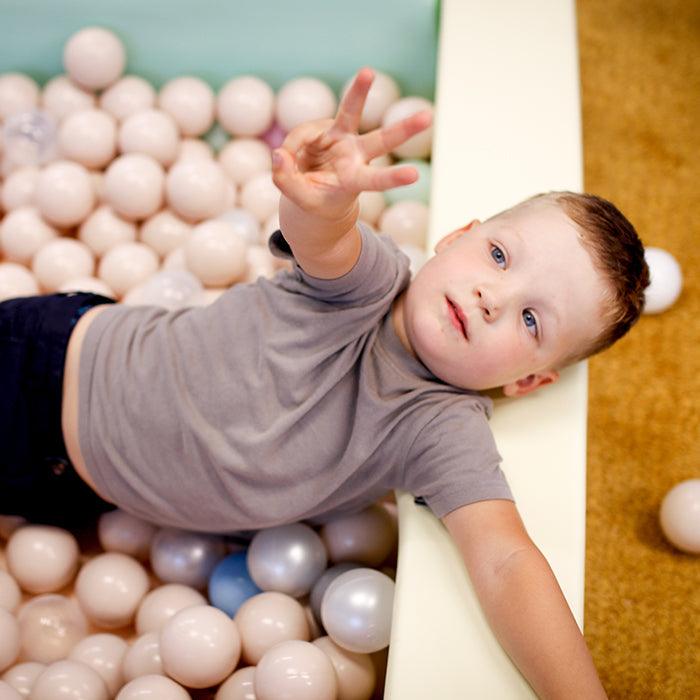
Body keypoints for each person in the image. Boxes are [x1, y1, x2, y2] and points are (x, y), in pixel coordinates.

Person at [0, 68, 648, 698]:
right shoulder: (369, 285)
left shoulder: (441, 431)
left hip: (74, 486)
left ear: (528, 380)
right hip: (48, 361)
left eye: (531, 319)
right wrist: (324, 199)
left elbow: (507, 564)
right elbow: (325, 237)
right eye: (500, 256)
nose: (491, 297)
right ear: (456, 238)